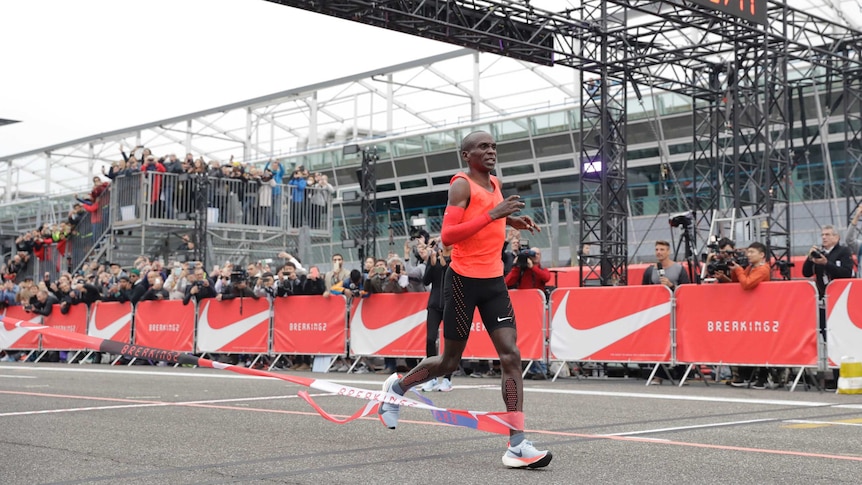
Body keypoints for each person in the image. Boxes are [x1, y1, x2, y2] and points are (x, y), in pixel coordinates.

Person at [377, 131, 551, 469]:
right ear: (466, 154)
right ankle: (397, 388)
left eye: (493, 147)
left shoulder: (493, 183)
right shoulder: (461, 185)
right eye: (483, 147)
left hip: (493, 282)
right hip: (462, 281)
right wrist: (494, 213)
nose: (490, 151)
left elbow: (487, 214)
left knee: (511, 356)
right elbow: (448, 235)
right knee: (448, 362)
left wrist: (508, 218)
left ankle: (517, 444)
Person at [802, 224, 853, 389]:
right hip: (823, 301)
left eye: (828, 234)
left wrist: (826, 264)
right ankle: (831, 375)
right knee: (826, 337)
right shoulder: (819, 253)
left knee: (841, 339)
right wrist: (810, 258)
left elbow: (846, 272)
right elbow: (806, 273)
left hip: (839, 302)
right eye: (823, 234)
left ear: (836, 237)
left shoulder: (843, 251)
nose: (824, 237)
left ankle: (841, 376)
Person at [642, 240, 690, 385]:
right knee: (658, 342)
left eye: (662, 249)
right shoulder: (650, 270)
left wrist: (671, 286)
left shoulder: (679, 269)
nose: (659, 252)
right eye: (657, 249)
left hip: (676, 312)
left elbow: (687, 290)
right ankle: (658, 375)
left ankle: (682, 373)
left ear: (668, 252)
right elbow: (643, 291)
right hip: (657, 313)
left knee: (678, 341)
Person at [727, 242, 773, 389]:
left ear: (761, 255)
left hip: (760, 311)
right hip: (749, 311)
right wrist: (732, 271)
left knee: (762, 345)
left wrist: (739, 270)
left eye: (752, 252)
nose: (748, 255)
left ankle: (762, 377)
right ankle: (744, 375)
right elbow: (738, 282)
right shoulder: (751, 267)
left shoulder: (763, 269)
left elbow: (747, 284)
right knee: (747, 342)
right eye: (748, 252)